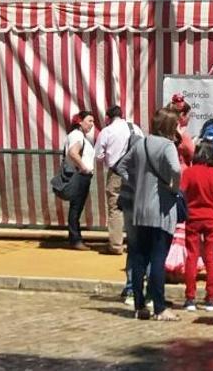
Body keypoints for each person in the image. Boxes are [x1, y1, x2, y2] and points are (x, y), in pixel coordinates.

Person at [119, 107, 183, 321]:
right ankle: (160, 307)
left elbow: (121, 166)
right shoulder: (168, 146)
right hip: (160, 209)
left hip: (139, 208)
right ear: (170, 126)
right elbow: (176, 169)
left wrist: (136, 182)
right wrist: (174, 188)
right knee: (157, 258)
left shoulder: (141, 143)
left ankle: (139, 305)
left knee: (138, 257)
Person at [181, 141, 213, 311]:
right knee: (211, 257)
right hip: (212, 218)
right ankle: (211, 297)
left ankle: (190, 297)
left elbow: (181, 193)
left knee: (191, 257)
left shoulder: (189, 173)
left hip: (193, 217)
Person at [95, 106, 132, 255]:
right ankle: (134, 243)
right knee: (132, 208)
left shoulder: (107, 131)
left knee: (115, 208)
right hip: (134, 173)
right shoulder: (134, 128)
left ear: (108, 117)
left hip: (116, 173)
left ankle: (116, 246)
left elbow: (98, 155)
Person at [65, 110, 96, 251]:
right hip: (79, 176)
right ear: (80, 121)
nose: (92, 124)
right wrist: (84, 168)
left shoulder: (79, 135)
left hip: (81, 175)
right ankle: (75, 239)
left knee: (76, 208)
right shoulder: (77, 135)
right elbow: (73, 153)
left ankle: (76, 238)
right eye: (89, 121)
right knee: (76, 208)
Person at [167, 94, 196, 165]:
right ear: (182, 115)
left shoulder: (166, 130)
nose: (189, 118)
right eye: (189, 115)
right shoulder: (183, 135)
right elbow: (193, 155)